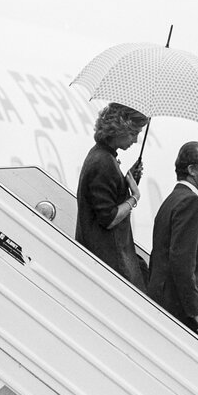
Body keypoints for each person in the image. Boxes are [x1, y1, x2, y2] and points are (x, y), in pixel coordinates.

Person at [148, 141, 198, 354]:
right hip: (184, 312)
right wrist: (196, 311)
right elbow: (181, 261)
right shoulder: (191, 203)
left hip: (168, 304)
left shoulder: (171, 201)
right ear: (191, 170)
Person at [75, 103, 150, 292]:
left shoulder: (100, 156)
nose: (135, 140)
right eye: (133, 133)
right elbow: (108, 219)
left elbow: (105, 199)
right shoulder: (104, 163)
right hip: (110, 260)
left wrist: (126, 181)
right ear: (119, 129)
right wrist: (134, 198)